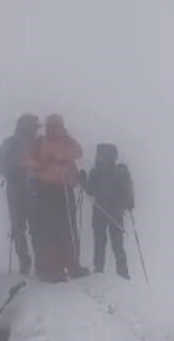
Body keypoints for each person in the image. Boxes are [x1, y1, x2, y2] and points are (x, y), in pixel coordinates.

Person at [24, 114, 87, 281]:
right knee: (49, 230)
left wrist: (58, 157)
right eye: (51, 126)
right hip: (45, 189)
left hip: (64, 188)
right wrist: (43, 163)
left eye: (56, 126)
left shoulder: (67, 141)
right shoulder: (39, 143)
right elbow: (28, 160)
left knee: (68, 229)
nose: (53, 129)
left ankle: (72, 265)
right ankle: (52, 269)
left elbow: (78, 152)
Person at [0, 114, 42, 276]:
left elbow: (0, 165)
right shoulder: (13, 143)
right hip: (22, 188)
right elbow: (0, 165)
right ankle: (29, 262)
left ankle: (31, 263)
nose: (35, 129)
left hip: (28, 188)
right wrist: (19, 166)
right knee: (23, 227)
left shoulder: (35, 143)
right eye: (33, 126)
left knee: (26, 227)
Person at [82, 144, 134, 278]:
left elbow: (90, 190)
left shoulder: (96, 171)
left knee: (100, 241)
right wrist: (129, 202)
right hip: (114, 211)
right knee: (116, 243)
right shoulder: (119, 171)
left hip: (101, 211)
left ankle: (99, 270)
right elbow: (127, 189)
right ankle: (123, 273)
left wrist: (82, 182)